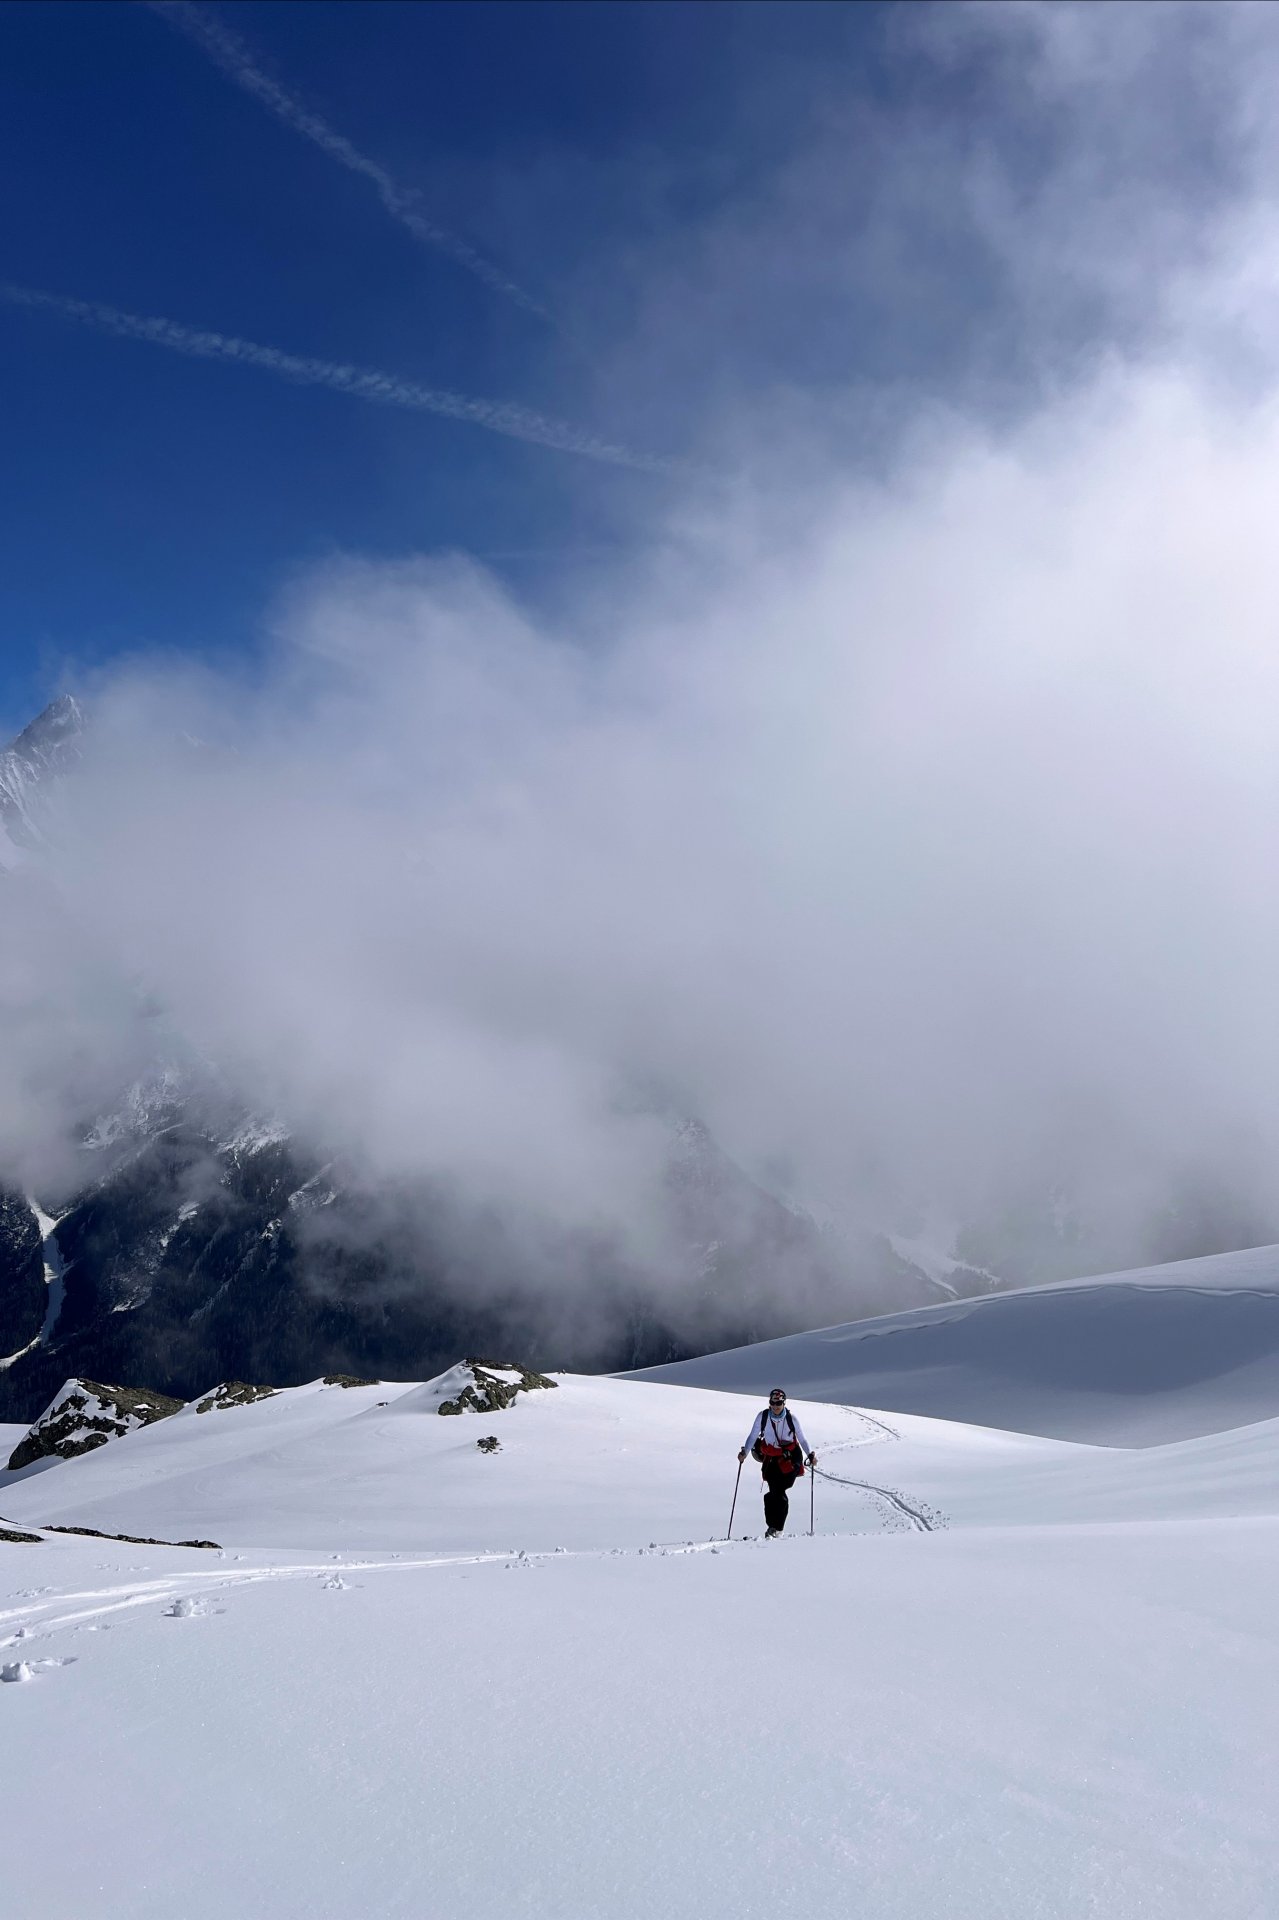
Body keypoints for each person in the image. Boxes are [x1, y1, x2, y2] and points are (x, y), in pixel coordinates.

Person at [737, 1387, 817, 1537]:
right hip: (772, 1458)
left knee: (779, 1491)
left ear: (784, 1403)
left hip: (791, 1458)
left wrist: (810, 1454)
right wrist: (744, 1453)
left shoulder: (791, 1419)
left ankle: (776, 1528)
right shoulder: (763, 1417)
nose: (775, 1406)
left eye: (778, 1403)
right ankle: (773, 1527)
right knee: (772, 1493)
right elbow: (753, 1435)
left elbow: (802, 1438)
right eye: (772, 1403)